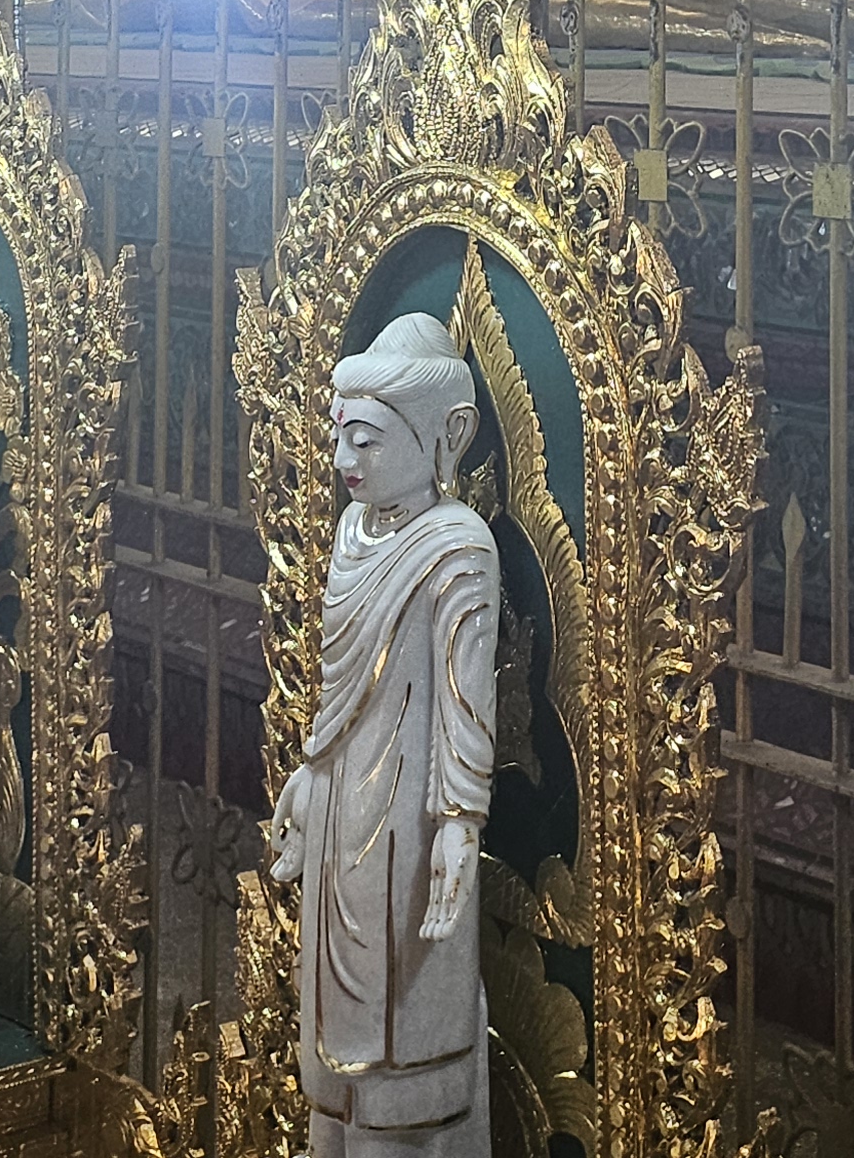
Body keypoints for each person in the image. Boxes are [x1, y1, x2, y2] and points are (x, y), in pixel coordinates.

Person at [270, 313, 498, 1158]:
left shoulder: (458, 547)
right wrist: (310, 771)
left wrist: (460, 822)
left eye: (365, 441)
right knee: (333, 1055)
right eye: (341, 438)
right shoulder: (351, 532)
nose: (344, 461)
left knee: (403, 1037)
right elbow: (338, 686)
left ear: (444, 435)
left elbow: (466, 700)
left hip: (409, 822)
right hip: (341, 810)